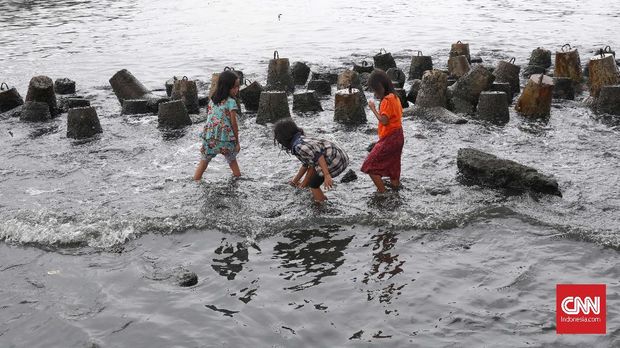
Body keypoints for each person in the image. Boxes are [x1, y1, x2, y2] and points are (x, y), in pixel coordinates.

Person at [273, 118, 349, 202]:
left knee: (313, 184)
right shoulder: (300, 140)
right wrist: (294, 182)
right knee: (309, 181)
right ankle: (314, 193)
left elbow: (318, 156)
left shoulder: (299, 146)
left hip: (335, 160)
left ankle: (321, 204)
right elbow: (307, 164)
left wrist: (327, 175)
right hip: (340, 156)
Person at [193, 70, 241, 181]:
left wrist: (204, 142)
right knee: (232, 162)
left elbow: (209, 121)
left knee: (203, 163)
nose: (237, 90)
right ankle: (237, 182)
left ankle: (195, 182)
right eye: (234, 87)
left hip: (210, 139)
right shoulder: (231, 102)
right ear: (226, 87)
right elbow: (234, 124)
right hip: (225, 140)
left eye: (238, 87)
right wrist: (237, 142)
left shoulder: (212, 101)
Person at [361, 70, 404, 192]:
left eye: (375, 89)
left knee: (369, 166)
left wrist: (373, 108)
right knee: (394, 166)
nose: (375, 93)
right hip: (399, 135)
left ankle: (382, 193)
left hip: (389, 138)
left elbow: (384, 121)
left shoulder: (386, 100)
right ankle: (395, 191)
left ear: (380, 86)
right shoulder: (395, 97)